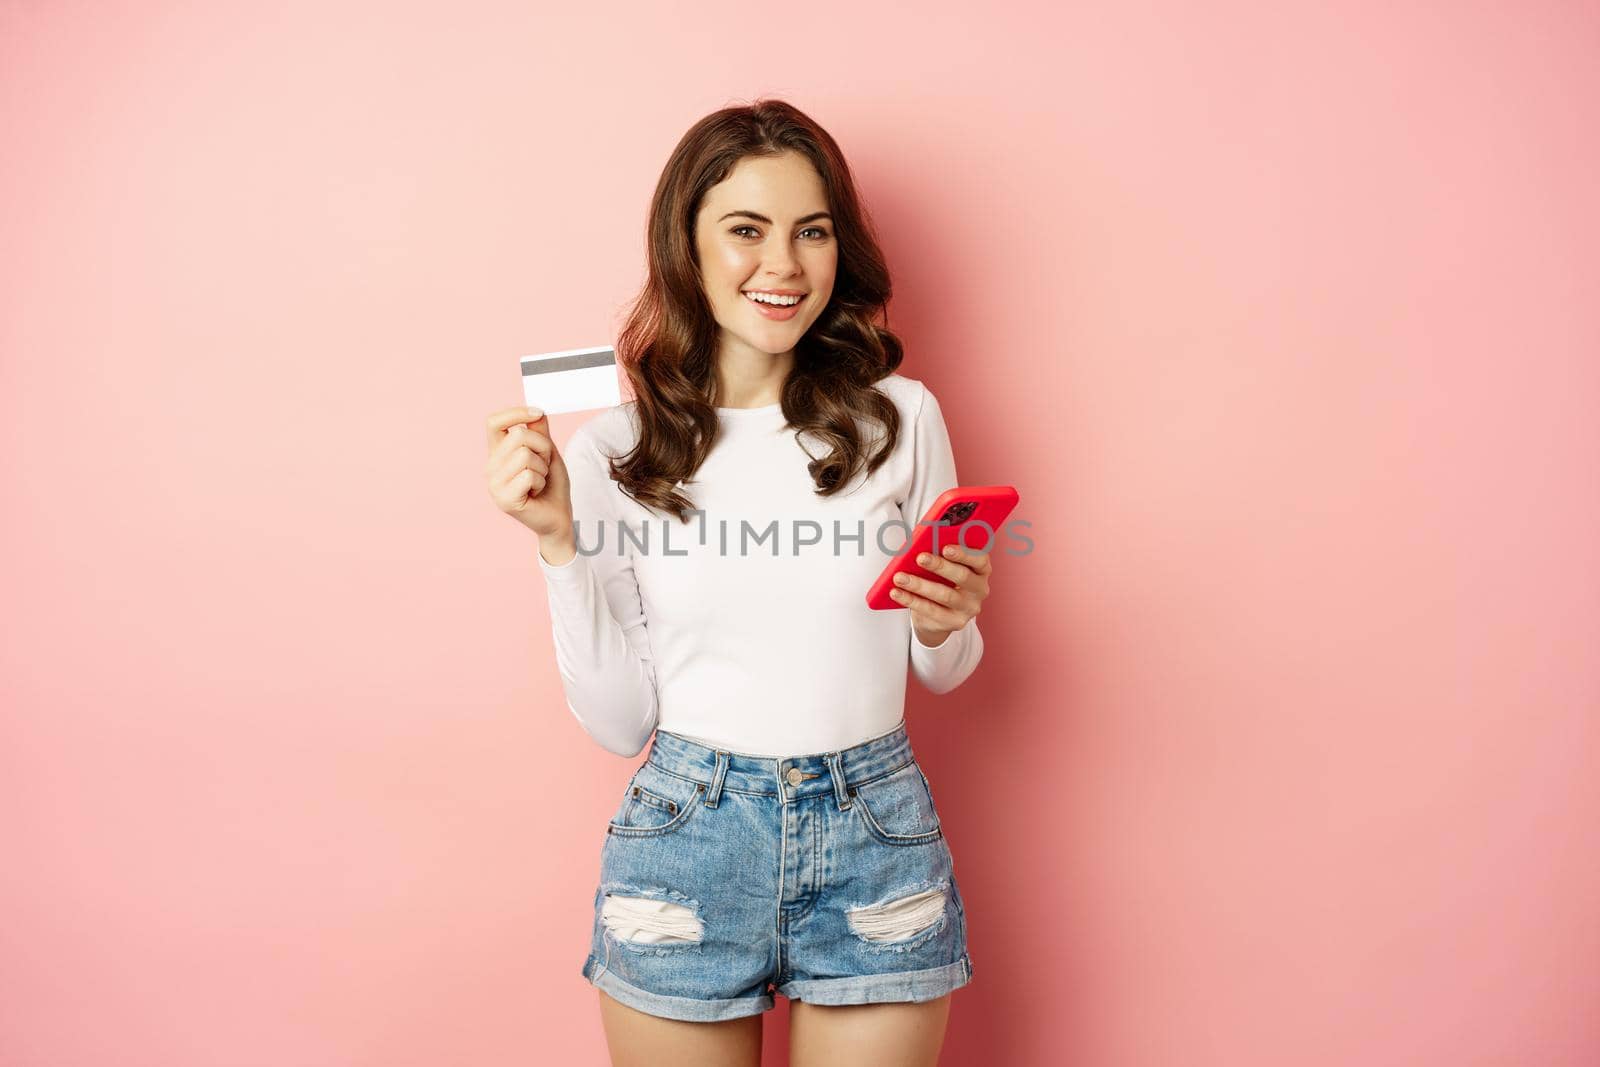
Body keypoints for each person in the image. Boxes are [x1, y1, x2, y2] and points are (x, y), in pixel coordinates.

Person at [484, 98, 996, 1067]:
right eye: (745, 231)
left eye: (812, 232)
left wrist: (947, 620)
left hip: (874, 830)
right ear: (686, 247)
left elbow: (944, 669)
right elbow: (618, 722)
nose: (784, 266)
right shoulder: (615, 450)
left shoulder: (902, 419)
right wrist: (557, 542)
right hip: (687, 832)